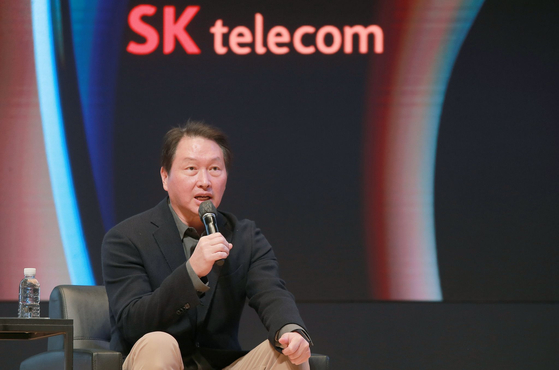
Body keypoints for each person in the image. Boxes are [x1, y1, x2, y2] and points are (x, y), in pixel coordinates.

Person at [102, 121, 312, 370]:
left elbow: (272, 293)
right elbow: (132, 324)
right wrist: (191, 274)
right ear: (165, 177)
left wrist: (291, 331)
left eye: (214, 169)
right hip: (152, 361)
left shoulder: (244, 236)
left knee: (288, 354)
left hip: (221, 365)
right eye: (191, 168)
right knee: (158, 343)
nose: (205, 181)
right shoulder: (127, 238)